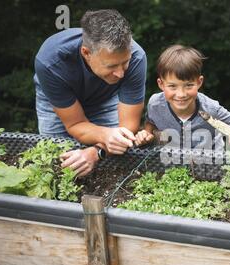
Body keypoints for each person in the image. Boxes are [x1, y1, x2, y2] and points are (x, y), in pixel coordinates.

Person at [33, 9, 146, 176]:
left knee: (115, 162)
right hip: (59, 105)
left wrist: (96, 152)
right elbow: (75, 124)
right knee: (57, 164)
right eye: (111, 66)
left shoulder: (137, 57)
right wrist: (105, 134)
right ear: (86, 53)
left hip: (105, 97)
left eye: (124, 63)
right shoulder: (50, 61)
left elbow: (127, 128)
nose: (121, 74)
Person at [135, 45, 230, 150]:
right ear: (161, 84)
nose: (181, 94)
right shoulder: (155, 104)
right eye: (172, 86)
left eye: (189, 85)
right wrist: (146, 133)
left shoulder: (211, 108)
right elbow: (151, 122)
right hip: (172, 165)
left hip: (211, 166)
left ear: (199, 82)